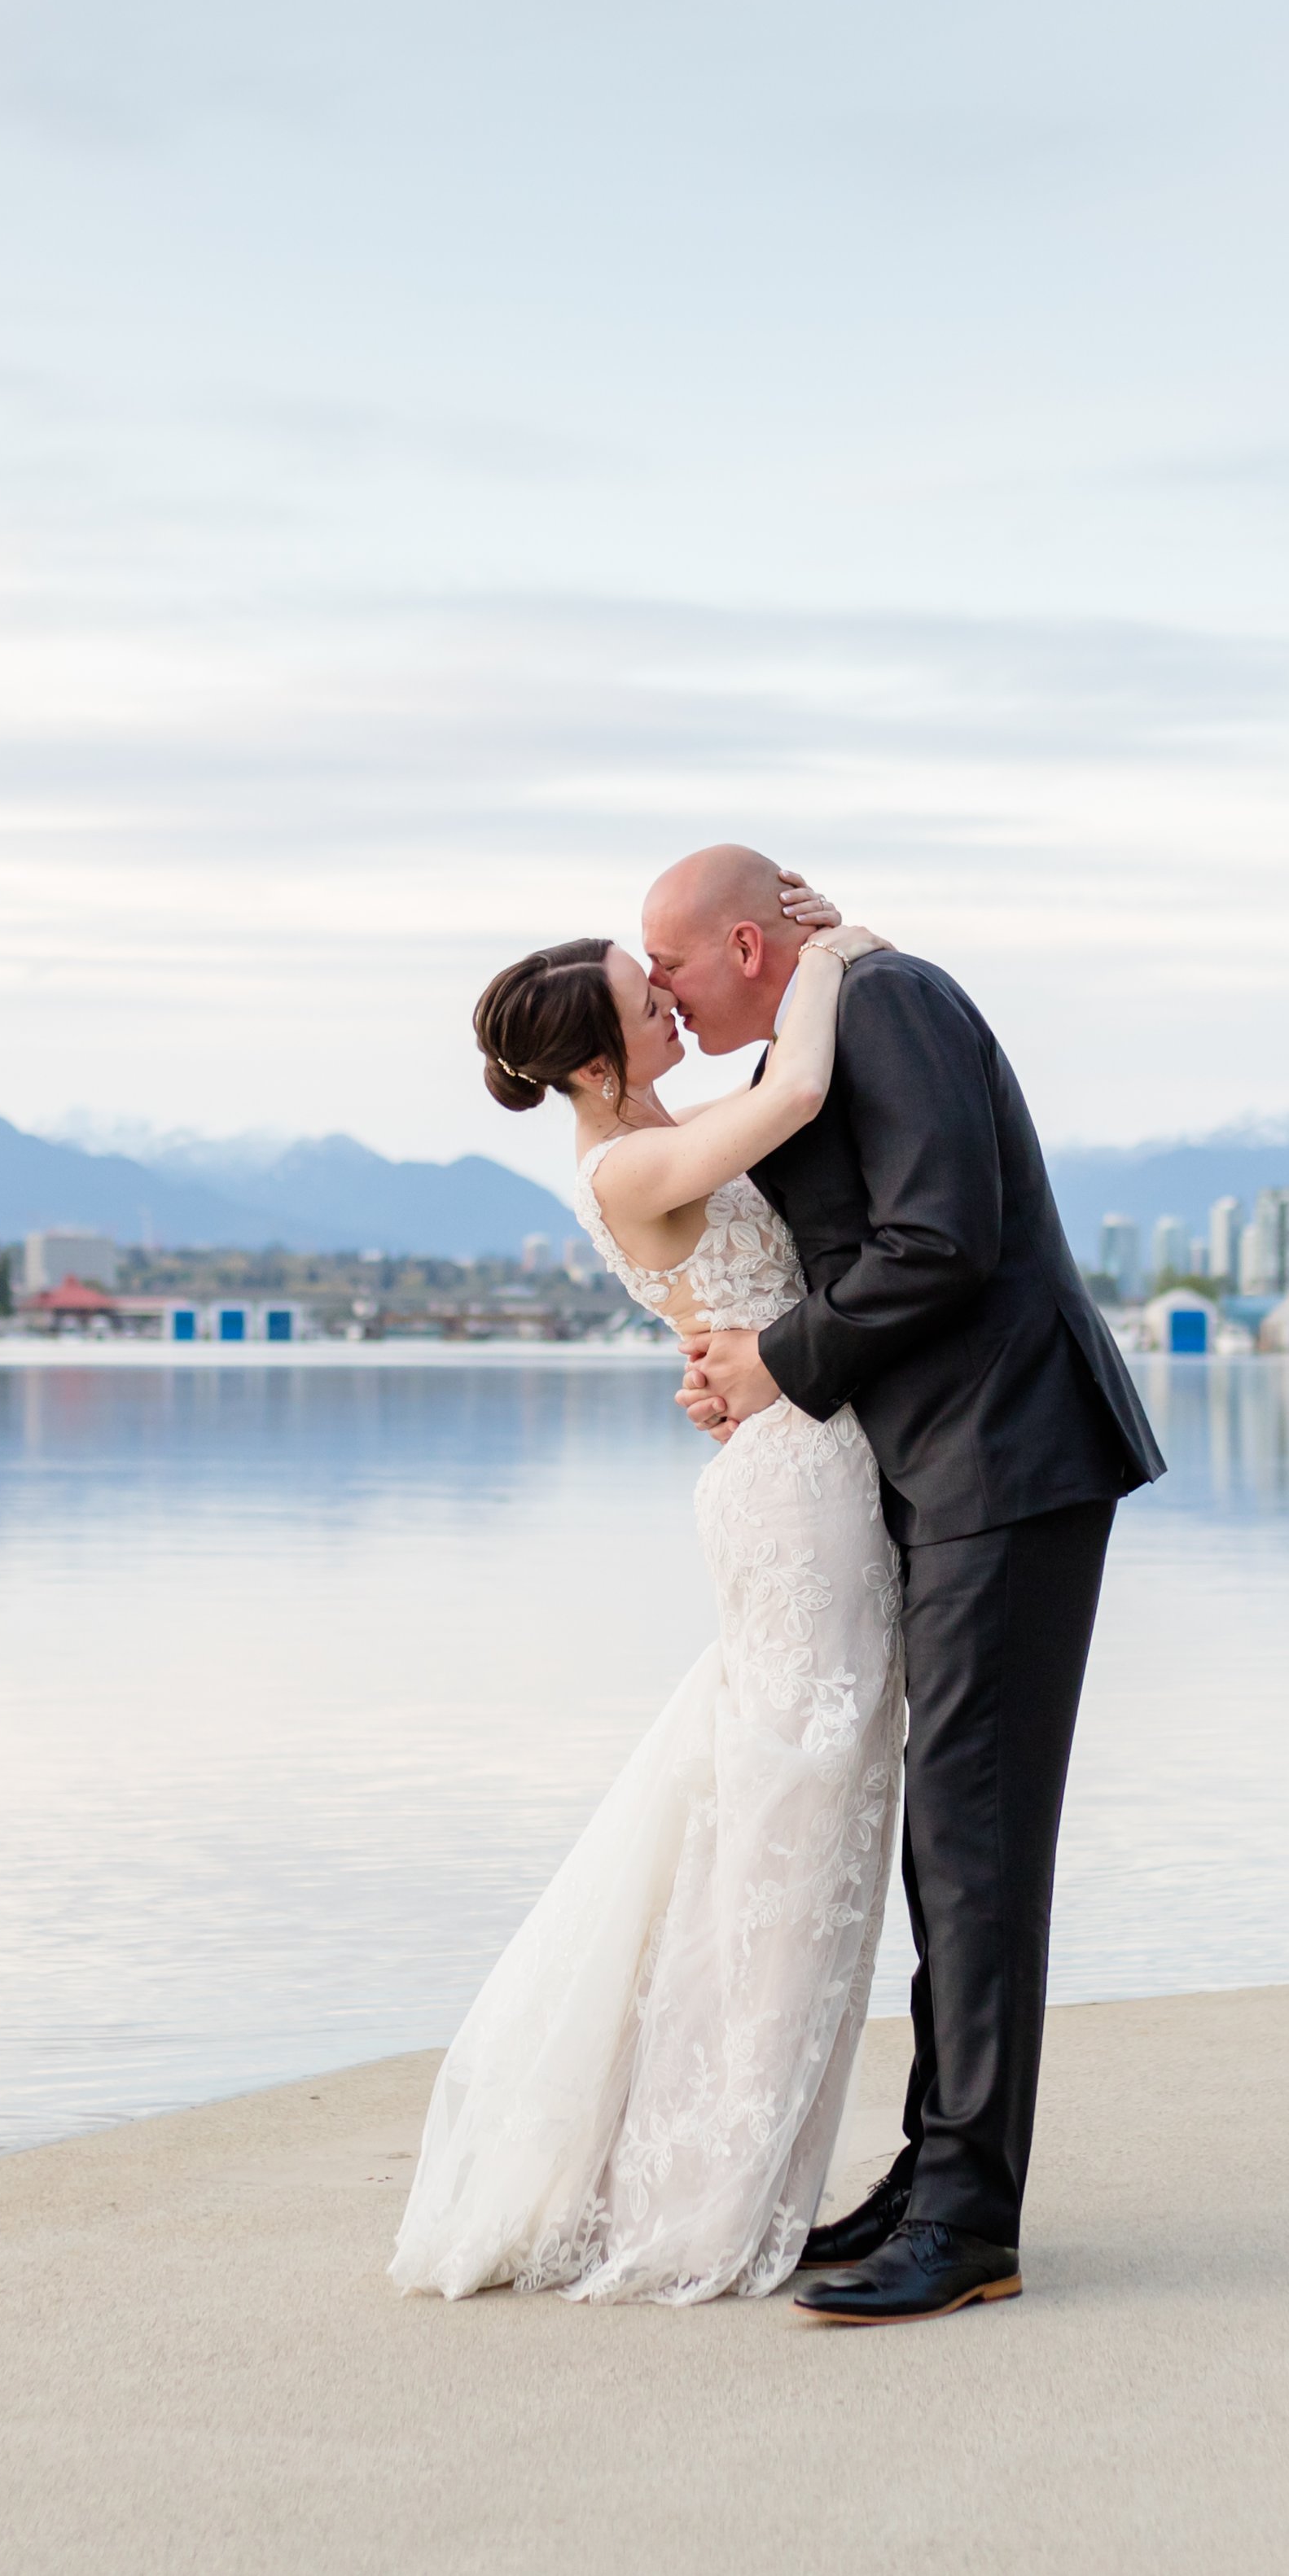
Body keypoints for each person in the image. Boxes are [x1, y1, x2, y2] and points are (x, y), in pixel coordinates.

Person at [645, 847, 1164, 2324]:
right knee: (954, 1835)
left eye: (671, 965)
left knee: (976, 1838)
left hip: (1010, 1455)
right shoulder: (832, 1009)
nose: (668, 996)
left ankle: (968, 2217)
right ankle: (933, 2172)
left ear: (745, 941)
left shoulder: (888, 999)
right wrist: (746, 1360)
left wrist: (780, 1361)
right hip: (948, 1467)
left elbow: (945, 1237)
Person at [389, 885, 902, 2306]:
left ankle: (748, 2167)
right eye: (646, 997)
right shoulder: (626, 1167)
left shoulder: (650, 1139)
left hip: (795, 1461)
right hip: (792, 1497)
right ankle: (712, 2192)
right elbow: (799, 1084)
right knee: (789, 1832)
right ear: (592, 1064)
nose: (674, 999)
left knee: (787, 1821)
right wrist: (846, 950)